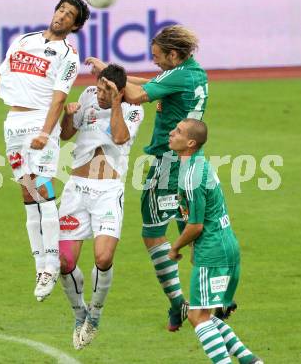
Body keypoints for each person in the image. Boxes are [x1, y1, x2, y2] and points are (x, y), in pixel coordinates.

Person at [0, 0, 90, 302]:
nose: (62, 16)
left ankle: (52, 263)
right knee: (27, 193)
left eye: (70, 15)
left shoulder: (68, 55)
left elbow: (58, 98)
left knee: (43, 188)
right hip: (13, 122)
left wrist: (45, 131)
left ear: (75, 26)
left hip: (41, 122)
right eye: (61, 10)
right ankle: (41, 265)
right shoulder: (23, 41)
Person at [86, 25, 209, 331]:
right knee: (192, 235)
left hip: (168, 165)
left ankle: (180, 303)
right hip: (193, 163)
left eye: (158, 57)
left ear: (173, 54)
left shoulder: (180, 74)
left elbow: (138, 95)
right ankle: (206, 305)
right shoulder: (194, 72)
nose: (155, 62)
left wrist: (111, 79)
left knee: (153, 233)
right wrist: (116, 75)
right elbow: (152, 83)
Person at [58, 64, 144, 350]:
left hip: (108, 192)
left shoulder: (132, 109)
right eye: (98, 87)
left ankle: (94, 315)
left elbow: (120, 137)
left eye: (106, 91)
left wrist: (116, 103)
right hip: (76, 190)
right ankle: (78, 313)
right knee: (64, 262)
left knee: (103, 258)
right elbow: (65, 134)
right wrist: (67, 115)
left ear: (119, 91)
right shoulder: (87, 96)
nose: (100, 95)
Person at [168, 118, 263, 364]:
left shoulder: (191, 175)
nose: (171, 133)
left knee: (197, 316)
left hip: (213, 251)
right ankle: (250, 361)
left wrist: (175, 246)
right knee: (206, 315)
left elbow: (196, 225)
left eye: (177, 131)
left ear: (190, 142)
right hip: (226, 246)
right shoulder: (201, 164)